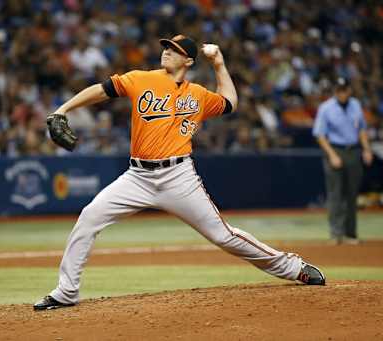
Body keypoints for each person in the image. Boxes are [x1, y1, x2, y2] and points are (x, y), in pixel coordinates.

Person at [34, 35, 325, 310]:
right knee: (89, 217)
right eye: (166, 47)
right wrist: (63, 109)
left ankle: (294, 268)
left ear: (188, 61)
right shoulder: (141, 78)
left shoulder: (196, 94)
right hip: (137, 177)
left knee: (223, 236)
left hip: (179, 177)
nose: (166, 51)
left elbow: (230, 103)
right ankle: (67, 291)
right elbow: (101, 90)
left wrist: (220, 64)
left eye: (174, 49)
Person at [312, 77, 373, 245]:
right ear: (335, 91)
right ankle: (336, 234)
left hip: (353, 151)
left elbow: (361, 129)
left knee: (352, 195)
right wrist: (332, 154)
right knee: (335, 194)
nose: (341, 93)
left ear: (349, 90)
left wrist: (367, 149)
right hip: (335, 149)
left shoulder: (355, 105)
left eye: (344, 90)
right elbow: (319, 134)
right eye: (338, 90)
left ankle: (350, 234)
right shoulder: (326, 108)